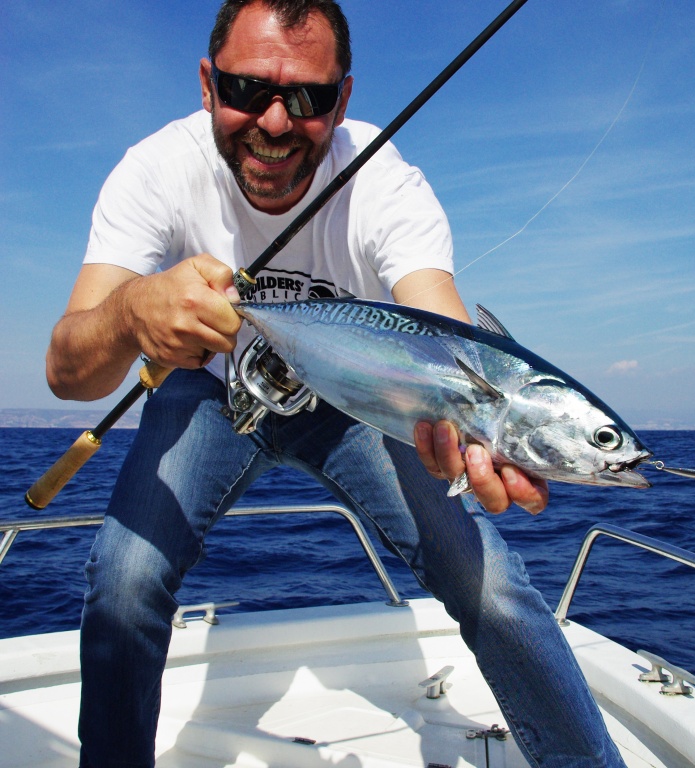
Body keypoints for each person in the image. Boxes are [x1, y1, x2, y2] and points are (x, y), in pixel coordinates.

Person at [45, 1, 626, 766]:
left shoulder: (387, 182)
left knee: (493, 587)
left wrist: (480, 420)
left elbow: (443, 324)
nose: (277, 122)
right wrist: (128, 314)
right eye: (248, 89)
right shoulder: (154, 169)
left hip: (364, 403)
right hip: (207, 391)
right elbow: (67, 372)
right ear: (206, 83)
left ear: (343, 100)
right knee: (123, 580)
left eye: (309, 99)